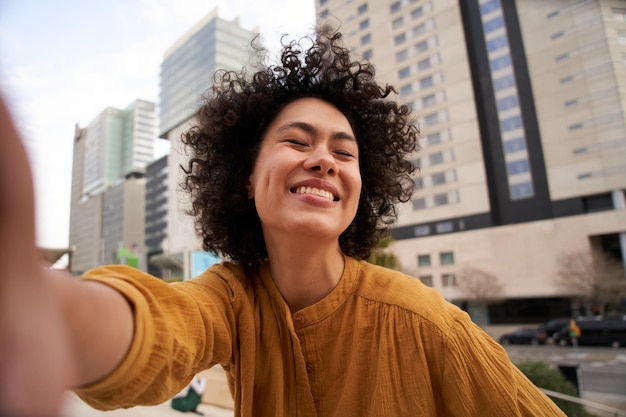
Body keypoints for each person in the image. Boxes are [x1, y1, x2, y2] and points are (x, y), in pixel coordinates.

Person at [0, 27, 566, 417]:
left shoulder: (428, 323)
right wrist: (45, 307)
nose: (324, 159)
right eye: (297, 142)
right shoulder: (230, 298)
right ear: (246, 179)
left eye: (345, 153)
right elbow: (163, 327)